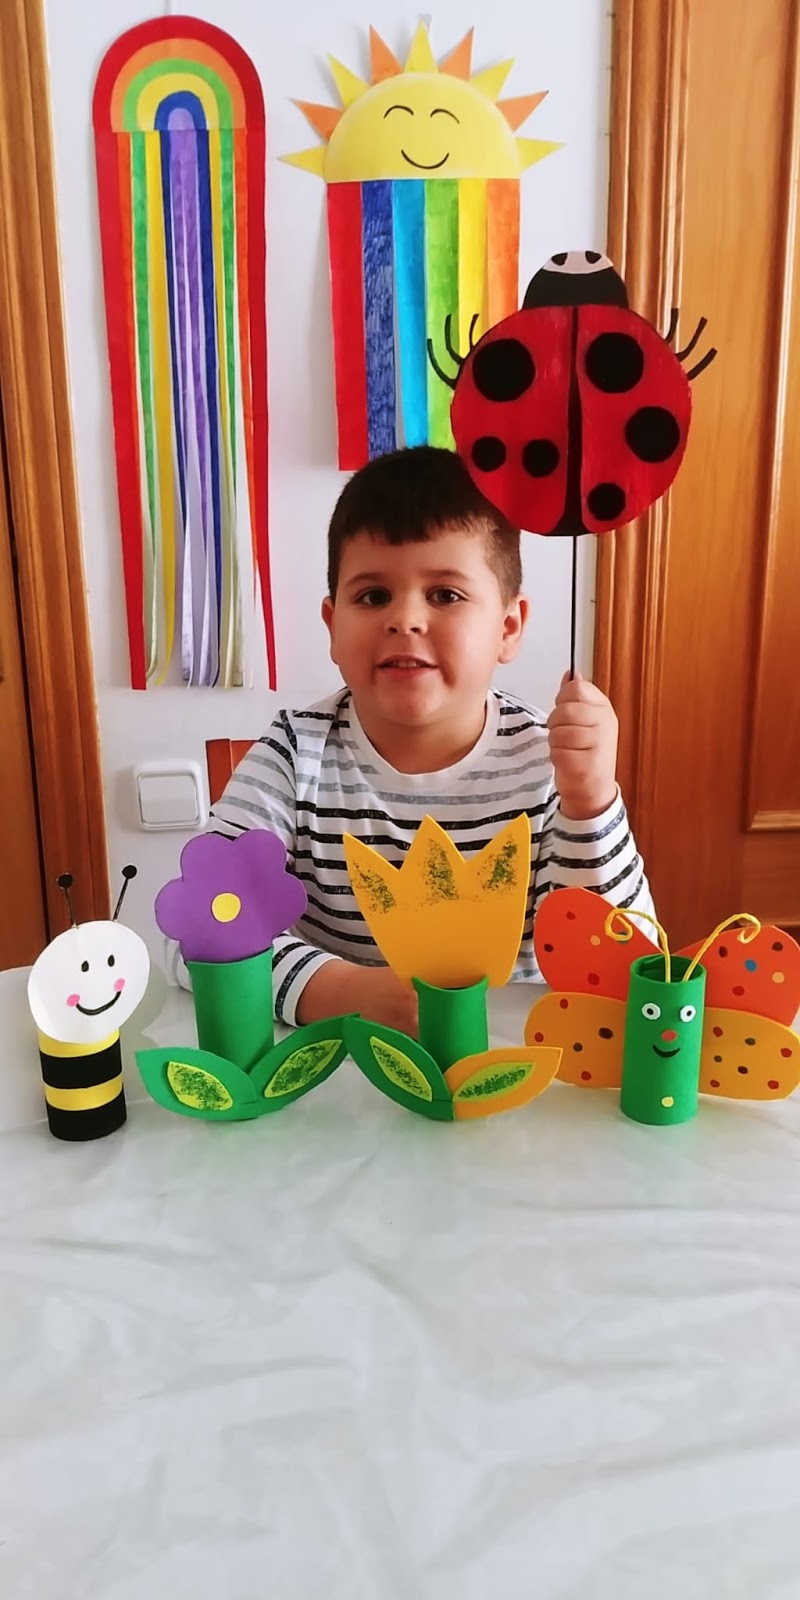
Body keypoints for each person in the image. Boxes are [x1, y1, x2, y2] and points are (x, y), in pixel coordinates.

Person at [170, 445, 653, 1035]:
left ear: (508, 627)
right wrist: (341, 991)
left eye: (445, 594)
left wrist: (590, 803)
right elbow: (195, 930)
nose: (405, 619)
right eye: (373, 596)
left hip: (512, 1065)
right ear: (333, 626)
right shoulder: (293, 755)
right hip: (340, 1068)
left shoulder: (549, 764)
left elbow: (625, 970)